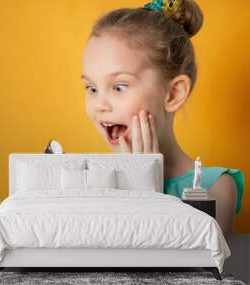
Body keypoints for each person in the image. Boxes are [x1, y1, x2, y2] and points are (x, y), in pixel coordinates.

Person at [81, 0, 244, 236]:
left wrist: (147, 189)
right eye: (92, 88)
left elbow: (197, 270)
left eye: (119, 86)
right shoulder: (88, 182)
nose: (100, 105)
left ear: (173, 93)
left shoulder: (216, 188)